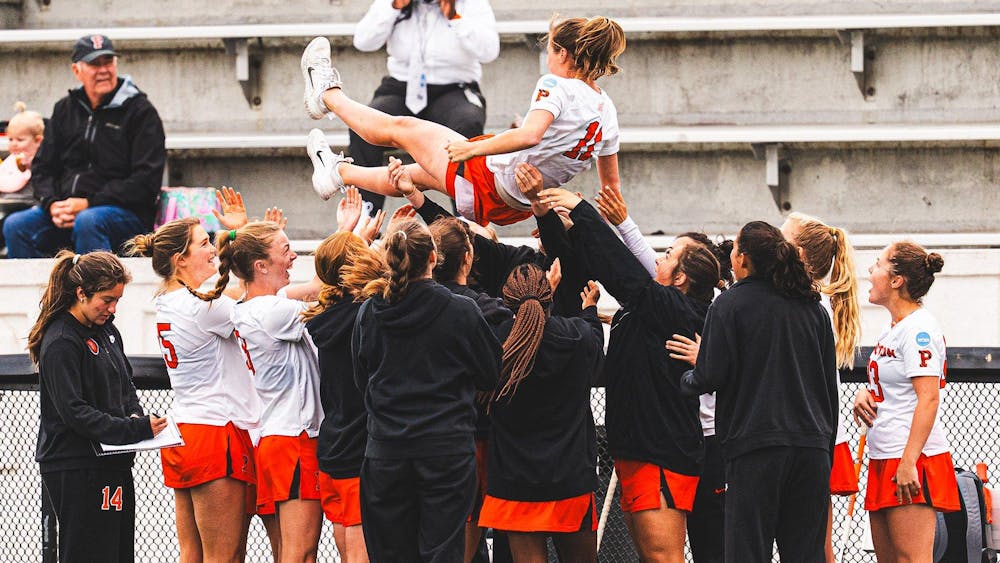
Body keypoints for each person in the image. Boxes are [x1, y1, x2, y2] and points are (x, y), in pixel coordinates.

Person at [536, 187, 724, 563]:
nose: (658, 258)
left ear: (681, 278)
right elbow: (609, 269)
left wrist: (584, 211)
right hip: (639, 450)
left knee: (663, 557)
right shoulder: (655, 307)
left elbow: (624, 273)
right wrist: (571, 229)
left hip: (660, 455)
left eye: (668, 256)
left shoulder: (678, 309)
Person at [302, 15, 624, 227]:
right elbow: (611, 188)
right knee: (415, 176)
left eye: (550, 48)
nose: (548, 56)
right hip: (517, 205)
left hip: (488, 178)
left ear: (563, 54)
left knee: (401, 129)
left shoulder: (556, 84)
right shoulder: (607, 110)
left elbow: (531, 136)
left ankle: (326, 94)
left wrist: (472, 150)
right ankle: (338, 173)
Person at [678, 221, 837, 563]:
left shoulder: (729, 304)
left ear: (744, 259)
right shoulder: (813, 308)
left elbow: (709, 375)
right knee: (807, 553)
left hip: (754, 448)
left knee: (747, 551)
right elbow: (828, 388)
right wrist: (826, 451)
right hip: (811, 449)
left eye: (735, 250)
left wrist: (685, 380)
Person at [594, 184, 734, 563]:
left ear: (688, 272)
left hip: (707, 441)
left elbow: (751, 367)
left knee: (708, 545)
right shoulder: (668, 304)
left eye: (671, 252)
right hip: (677, 435)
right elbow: (647, 277)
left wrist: (708, 361)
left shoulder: (713, 310)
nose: (659, 258)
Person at [351, 218, 502, 561]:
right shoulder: (461, 310)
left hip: (386, 450)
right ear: (433, 257)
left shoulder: (370, 312)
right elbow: (491, 374)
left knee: (391, 553)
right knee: (442, 551)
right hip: (446, 449)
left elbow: (362, 379)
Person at [124, 212, 265, 563]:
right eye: (203, 243)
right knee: (225, 556)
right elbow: (261, 300)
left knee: (193, 554)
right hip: (216, 431)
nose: (212, 249)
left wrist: (238, 232)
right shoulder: (203, 306)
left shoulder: (170, 300)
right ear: (180, 259)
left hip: (184, 430)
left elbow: (231, 294)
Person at [29, 250, 167, 563]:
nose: (112, 308)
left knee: (117, 553)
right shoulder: (61, 339)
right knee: (88, 553)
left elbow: (125, 385)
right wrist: (133, 429)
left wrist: (135, 415)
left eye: (117, 299)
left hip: (112, 460)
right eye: (107, 299)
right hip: (76, 464)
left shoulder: (107, 331)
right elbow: (74, 412)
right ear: (81, 293)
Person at [478, 264, 604, 563]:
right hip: (569, 476)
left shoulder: (496, 341)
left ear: (507, 301)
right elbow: (596, 351)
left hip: (515, 481)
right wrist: (589, 310)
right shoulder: (577, 335)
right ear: (549, 298)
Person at [3, 34, 166, 258]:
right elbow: (43, 168)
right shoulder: (64, 109)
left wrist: (89, 203)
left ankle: (97, 281)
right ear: (76, 70)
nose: (103, 70)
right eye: (94, 64)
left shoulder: (141, 112)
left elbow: (146, 181)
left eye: (108, 62)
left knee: (89, 221)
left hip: (124, 213)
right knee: (16, 225)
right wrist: (52, 204)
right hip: (67, 210)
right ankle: (43, 284)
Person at [852, 242, 959, 561]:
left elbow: (929, 398)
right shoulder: (895, 328)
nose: (871, 271)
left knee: (912, 559)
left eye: (878, 264)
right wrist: (865, 393)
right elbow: (896, 385)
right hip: (884, 454)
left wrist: (909, 462)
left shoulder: (919, 329)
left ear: (897, 280)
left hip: (909, 457)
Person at [349, 0, 499, 212]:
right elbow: (363, 41)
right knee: (363, 124)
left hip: (453, 87)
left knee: (467, 123)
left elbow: (489, 51)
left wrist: (454, 17)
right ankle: (366, 214)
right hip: (402, 86)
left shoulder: (470, 4)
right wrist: (394, 6)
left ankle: (467, 217)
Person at [779, 211, 862, 562]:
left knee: (816, 541)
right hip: (815, 428)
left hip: (814, 431)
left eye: (781, 239)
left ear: (798, 254)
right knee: (812, 536)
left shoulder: (810, 305)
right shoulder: (813, 303)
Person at [303, 229, 386, 563]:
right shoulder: (366, 317)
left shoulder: (323, 319)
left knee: (344, 536)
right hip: (359, 445)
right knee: (361, 544)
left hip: (332, 444)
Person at [0, 101, 44, 195]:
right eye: (11, 139)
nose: (14, 144)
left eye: (20, 140)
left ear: (37, 140)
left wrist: (30, 165)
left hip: (29, 199)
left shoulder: (40, 160)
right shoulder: (12, 158)